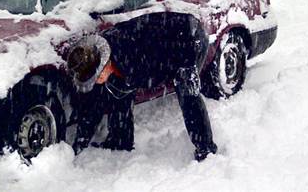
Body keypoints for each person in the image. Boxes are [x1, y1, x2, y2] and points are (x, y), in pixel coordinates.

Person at [73, 12, 218, 161]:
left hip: (189, 39)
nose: (95, 81)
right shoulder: (100, 53)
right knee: (120, 91)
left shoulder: (133, 58)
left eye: (95, 77)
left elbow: (156, 72)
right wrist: (80, 142)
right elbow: (91, 106)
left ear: (104, 65)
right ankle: (120, 141)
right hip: (161, 41)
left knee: (187, 93)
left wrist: (180, 73)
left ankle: (206, 148)